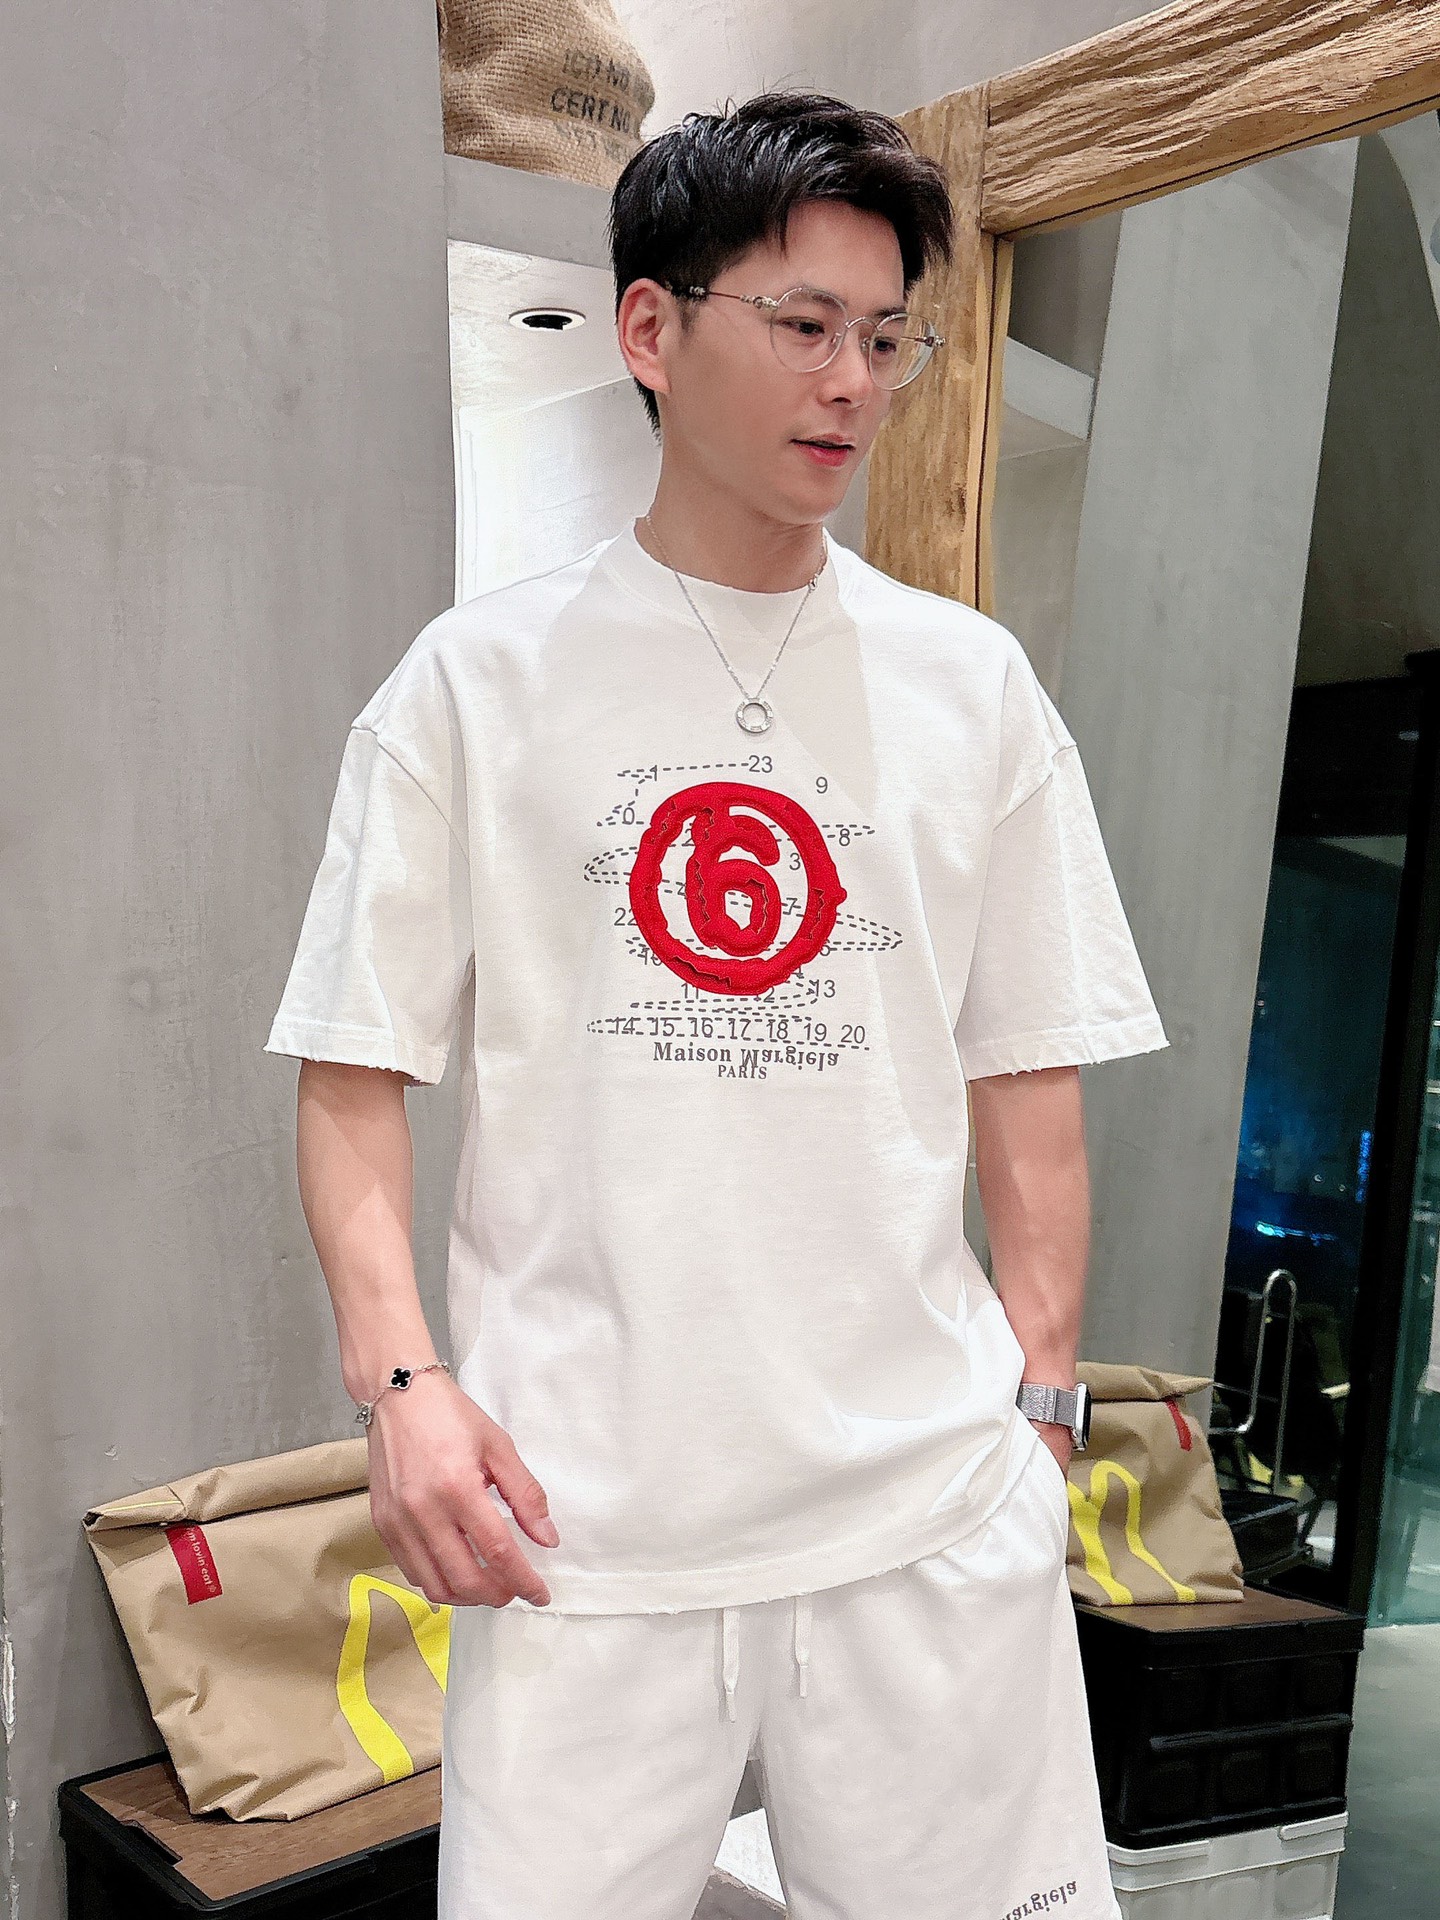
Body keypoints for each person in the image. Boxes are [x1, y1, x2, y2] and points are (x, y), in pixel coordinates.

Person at [266, 87, 1168, 1920]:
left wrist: (1043, 1414)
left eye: (888, 338)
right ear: (651, 328)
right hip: (581, 1528)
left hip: (925, 1510)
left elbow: (1029, 1069)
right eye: (804, 324)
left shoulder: (972, 688)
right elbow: (355, 1068)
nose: (853, 382)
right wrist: (405, 1389)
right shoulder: (475, 686)